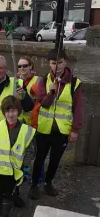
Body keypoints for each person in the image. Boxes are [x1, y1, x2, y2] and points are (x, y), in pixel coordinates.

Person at [30, 49, 82, 200]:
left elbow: (78, 108)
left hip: (62, 130)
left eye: (59, 62)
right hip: (44, 128)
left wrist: (75, 129)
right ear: (49, 63)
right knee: (39, 158)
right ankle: (34, 184)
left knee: (55, 159)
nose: (57, 66)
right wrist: (51, 93)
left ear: (65, 62)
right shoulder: (43, 81)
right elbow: (44, 104)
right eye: (53, 63)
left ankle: (48, 183)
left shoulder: (74, 83)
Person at [0, 96, 35, 217]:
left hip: (14, 171)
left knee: (8, 195)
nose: (10, 114)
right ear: (3, 112)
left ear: (18, 111)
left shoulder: (26, 130)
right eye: (7, 111)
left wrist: (26, 168)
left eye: (13, 111)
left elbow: (29, 151)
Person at [17, 57, 39, 126]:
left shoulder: (39, 80)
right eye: (19, 66)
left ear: (30, 66)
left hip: (33, 121)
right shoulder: (16, 81)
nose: (22, 68)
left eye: (25, 66)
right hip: (19, 121)